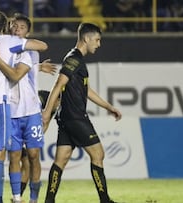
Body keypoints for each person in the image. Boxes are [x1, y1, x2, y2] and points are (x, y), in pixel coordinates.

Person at [0, 10, 47, 203]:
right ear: (7, 26)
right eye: (14, 25)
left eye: (22, 27)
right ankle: (1, 199)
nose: (17, 29)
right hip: (0, 104)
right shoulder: (11, 43)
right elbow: (15, 73)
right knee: (0, 154)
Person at [41, 23, 122, 203]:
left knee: (61, 160)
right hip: (76, 117)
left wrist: (109, 107)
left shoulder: (76, 60)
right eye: (97, 40)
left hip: (66, 118)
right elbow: (58, 84)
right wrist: (47, 112)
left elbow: (86, 91)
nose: (99, 44)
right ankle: (105, 200)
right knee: (98, 155)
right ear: (86, 39)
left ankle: (49, 201)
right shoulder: (74, 59)